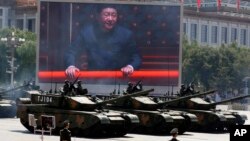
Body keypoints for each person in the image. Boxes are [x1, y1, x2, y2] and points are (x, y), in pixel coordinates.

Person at [65, 5, 141, 78]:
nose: (110, 19)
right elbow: (71, 51)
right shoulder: (87, 33)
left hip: (119, 78)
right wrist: (71, 66)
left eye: (114, 15)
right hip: (93, 78)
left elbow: (136, 56)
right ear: (97, 16)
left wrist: (130, 66)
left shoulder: (126, 34)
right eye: (106, 15)